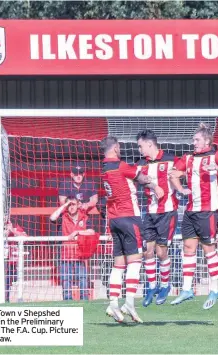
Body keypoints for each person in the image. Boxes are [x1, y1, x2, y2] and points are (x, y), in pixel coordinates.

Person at [169, 123, 218, 309]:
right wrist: (180, 188)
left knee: (208, 248)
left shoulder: (214, 155)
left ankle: (214, 288)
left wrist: (216, 167)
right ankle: (186, 289)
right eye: (193, 140)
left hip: (207, 210)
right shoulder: (189, 158)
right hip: (191, 209)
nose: (194, 142)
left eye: (197, 139)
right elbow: (173, 173)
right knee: (188, 247)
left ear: (207, 141)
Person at [100, 136, 160, 323]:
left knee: (119, 264)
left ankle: (113, 303)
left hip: (114, 219)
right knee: (135, 261)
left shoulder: (103, 169)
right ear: (116, 148)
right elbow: (141, 178)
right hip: (129, 217)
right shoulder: (121, 165)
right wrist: (152, 181)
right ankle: (130, 302)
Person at [133, 130, 179, 307]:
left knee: (161, 253)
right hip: (150, 213)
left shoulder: (170, 159)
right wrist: (152, 184)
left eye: (140, 146)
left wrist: (181, 189)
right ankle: (152, 286)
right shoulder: (140, 164)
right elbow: (136, 177)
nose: (139, 149)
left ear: (149, 144)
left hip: (167, 212)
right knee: (147, 251)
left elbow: (180, 174)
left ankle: (165, 285)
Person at [50, 196, 96, 301]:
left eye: (73, 204)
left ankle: (85, 300)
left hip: (80, 254)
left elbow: (92, 232)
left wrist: (78, 232)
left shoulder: (84, 217)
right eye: (69, 205)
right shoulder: (63, 217)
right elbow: (52, 218)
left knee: (82, 278)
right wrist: (65, 205)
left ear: (78, 205)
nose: (71, 207)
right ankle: (67, 300)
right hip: (66, 254)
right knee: (66, 279)